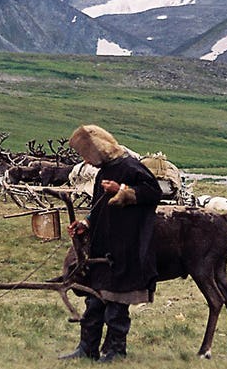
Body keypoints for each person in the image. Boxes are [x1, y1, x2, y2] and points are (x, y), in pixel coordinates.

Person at [60, 124, 162, 362]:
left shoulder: (130, 167)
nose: (85, 160)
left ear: (99, 149)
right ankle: (87, 349)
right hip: (101, 246)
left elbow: (153, 193)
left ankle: (116, 352)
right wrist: (85, 223)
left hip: (125, 245)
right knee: (94, 299)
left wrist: (123, 190)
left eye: (87, 154)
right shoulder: (103, 171)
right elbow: (98, 207)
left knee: (116, 303)